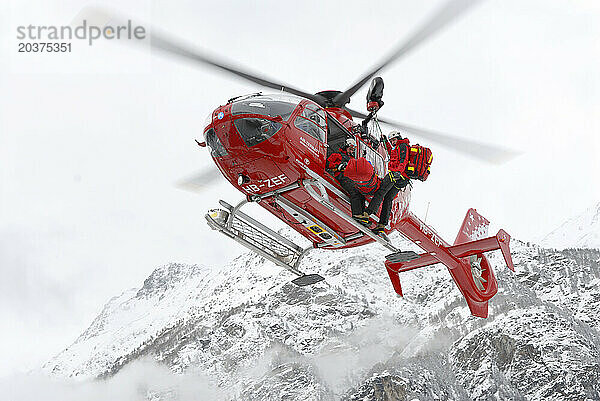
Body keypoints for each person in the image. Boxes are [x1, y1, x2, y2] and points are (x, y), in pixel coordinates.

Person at [355, 130, 410, 234]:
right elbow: (391, 153)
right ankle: (381, 225)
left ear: (399, 138)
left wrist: (397, 172)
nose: (393, 142)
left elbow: (404, 160)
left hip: (396, 175)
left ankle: (367, 214)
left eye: (394, 140)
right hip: (402, 179)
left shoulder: (403, 146)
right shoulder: (397, 148)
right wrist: (385, 141)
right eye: (391, 141)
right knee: (388, 198)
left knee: (381, 191)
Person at [326, 138, 367, 221]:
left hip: (351, 179)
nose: (352, 151)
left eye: (353, 150)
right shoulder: (338, 155)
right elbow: (327, 163)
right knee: (354, 192)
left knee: (361, 194)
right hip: (342, 177)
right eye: (350, 149)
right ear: (346, 146)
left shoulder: (352, 160)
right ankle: (356, 214)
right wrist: (338, 166)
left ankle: (362, 214)